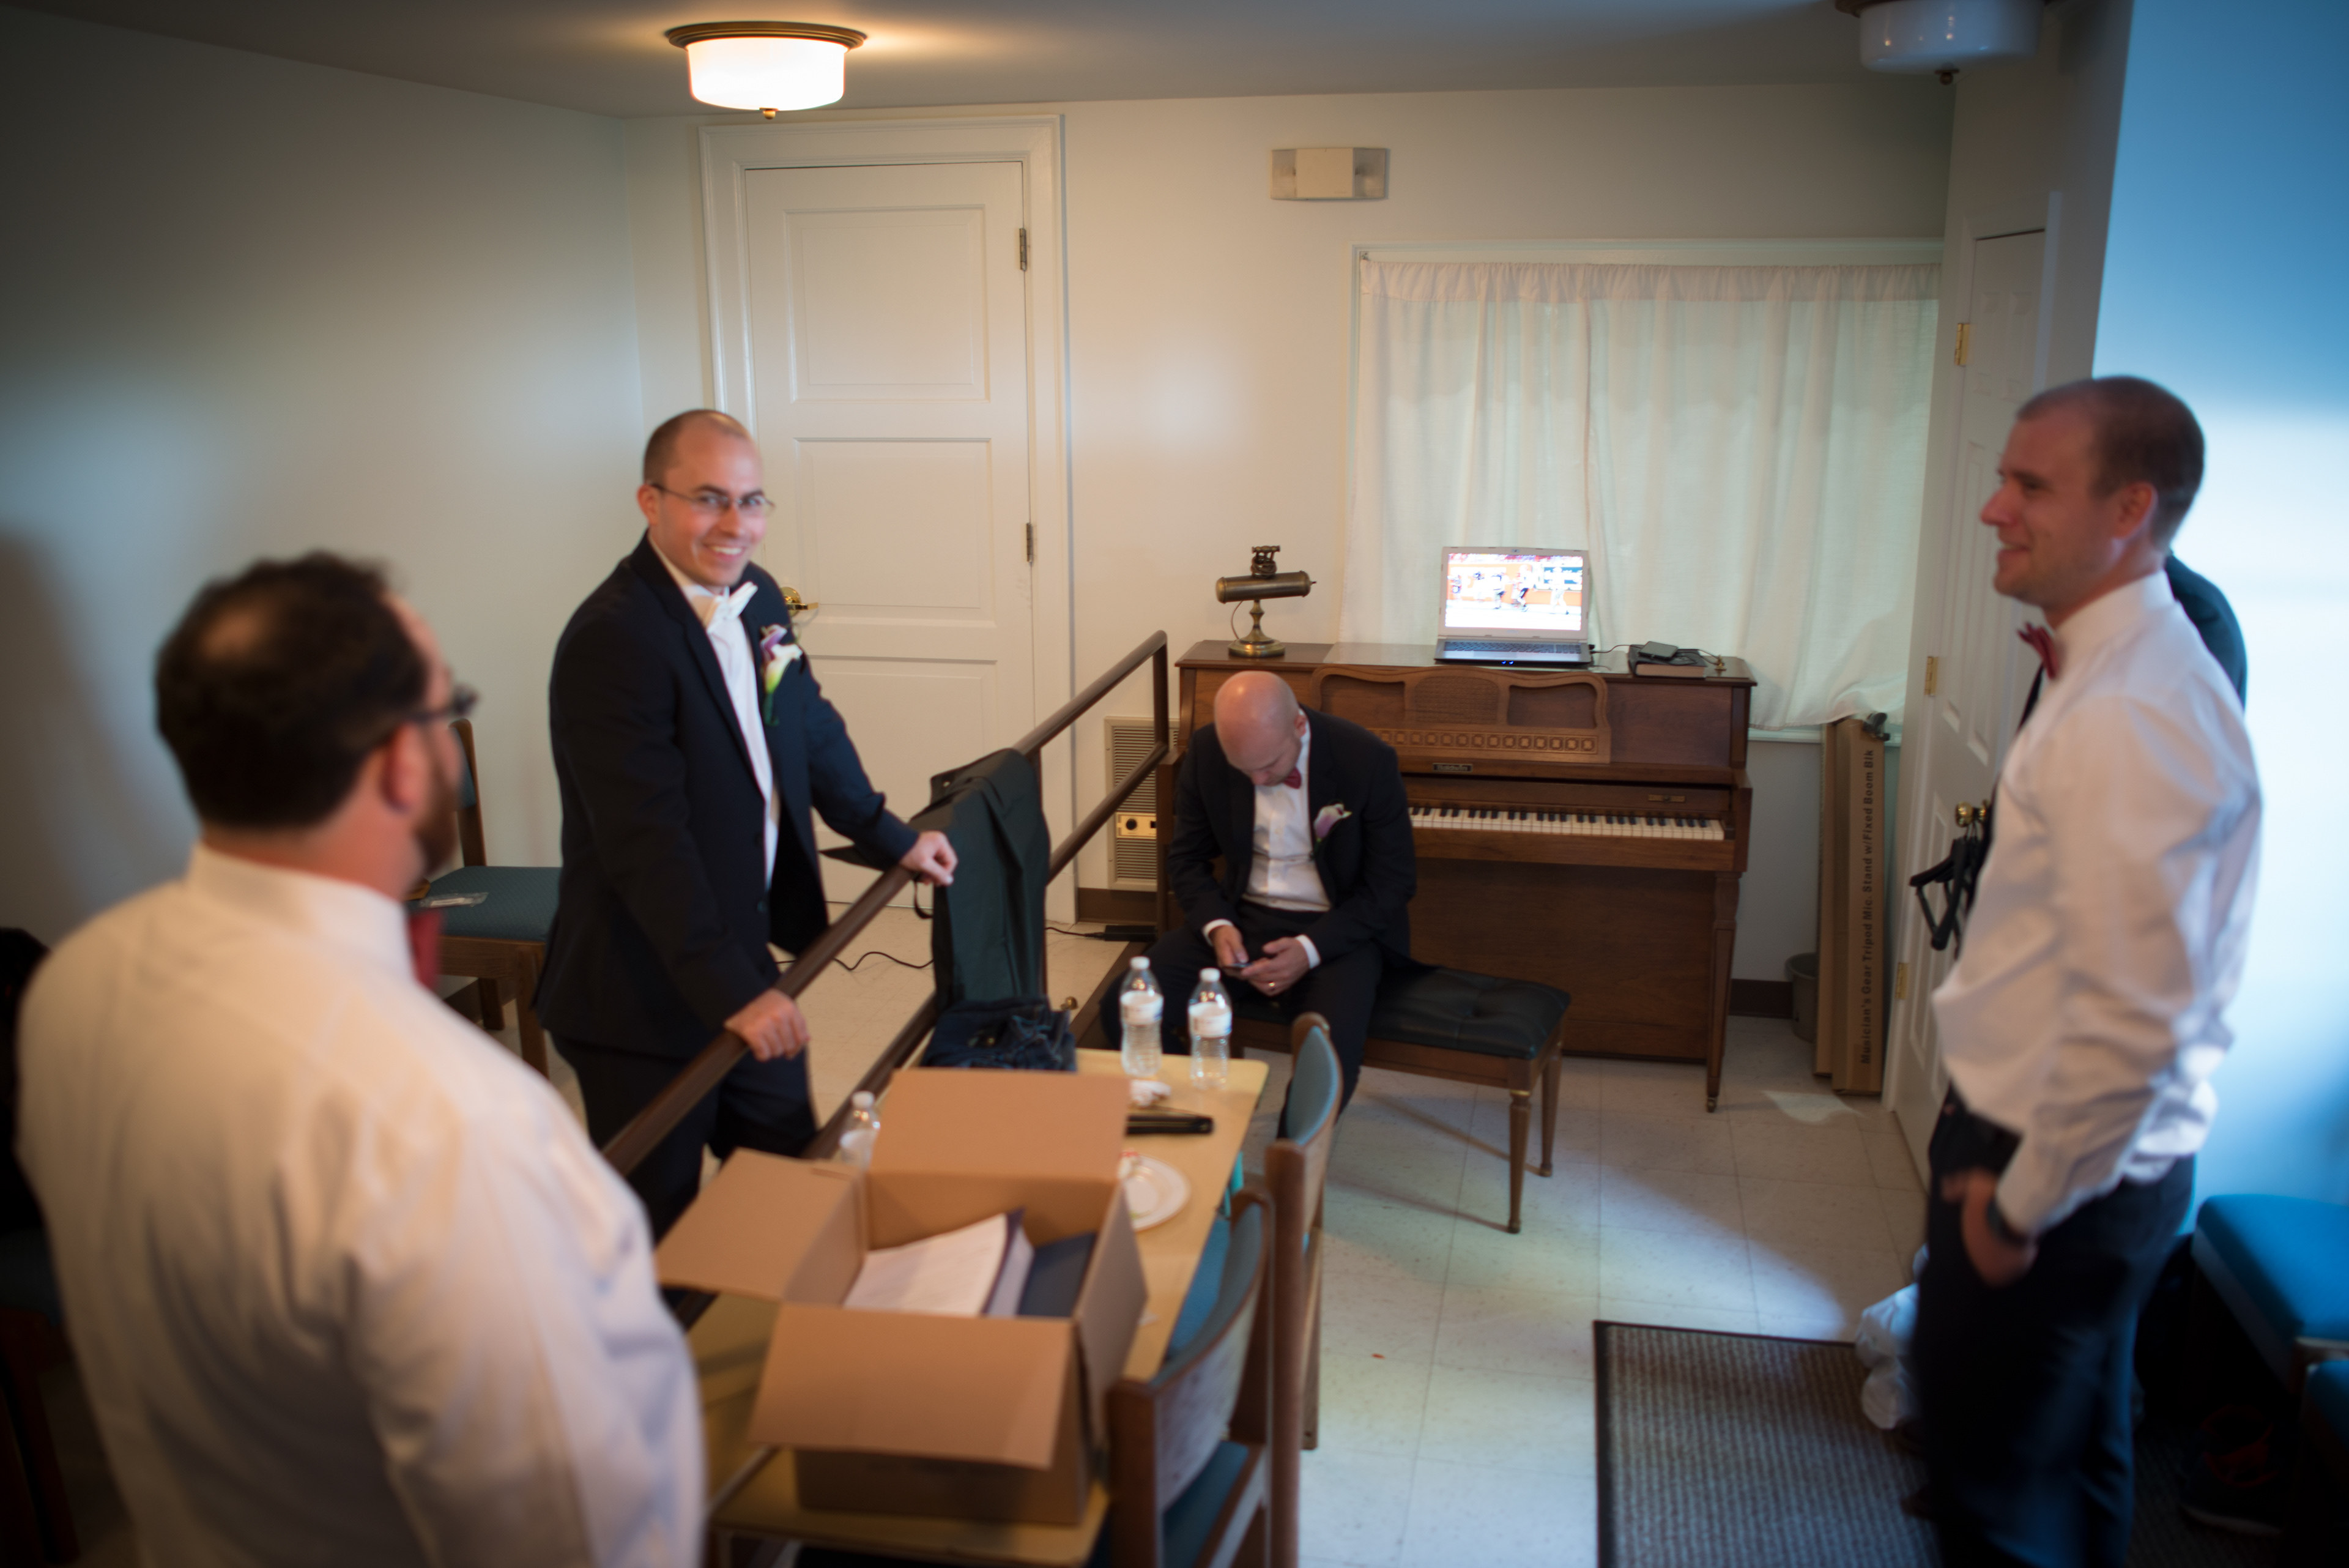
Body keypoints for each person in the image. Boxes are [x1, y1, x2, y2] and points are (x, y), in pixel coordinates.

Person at [18, 554, 702, 1566]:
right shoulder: (454, 1122)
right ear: (399, 763)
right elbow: (574, 1525)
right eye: (447, 712)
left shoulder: (74, 982)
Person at [1913, 377, 2262, 1567]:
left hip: (2055, 1176)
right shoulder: (2118, 663)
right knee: (2067, 1482)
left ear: (2129, 508)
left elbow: (2136, 1020)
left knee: (2001, 1516)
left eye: (2031, 484)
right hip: (2087, 1166)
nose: (1992, 508)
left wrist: (2017, 1209)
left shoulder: (2136, 711)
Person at [538, 409, 955, 1238]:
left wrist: (890, 835)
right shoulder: (612, 639)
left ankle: (783, 1312)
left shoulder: (758, 594)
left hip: (740, 957)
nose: (736, 523)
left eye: (752, 500)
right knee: (660, 1234)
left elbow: (808, 724)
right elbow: (645, 842)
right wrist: (736, 991)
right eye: (709, 499)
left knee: (788, 1183)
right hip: (639, 997)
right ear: (650, 501)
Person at [1113, 670, 1416, 1116]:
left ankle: (1291, 1157)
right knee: (1122, 1007)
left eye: (1269, 765)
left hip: (1336, 929)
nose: (1256, 780)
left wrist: (1310, 950)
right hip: (1240, 916)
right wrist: (1217, 926)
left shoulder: (1365, 758)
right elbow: (1186, 858)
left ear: (1298, 725)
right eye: (1244, 769)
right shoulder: (1207, 750)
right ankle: (1194, 1120)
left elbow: (1393, 882)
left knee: (1327, 1057)